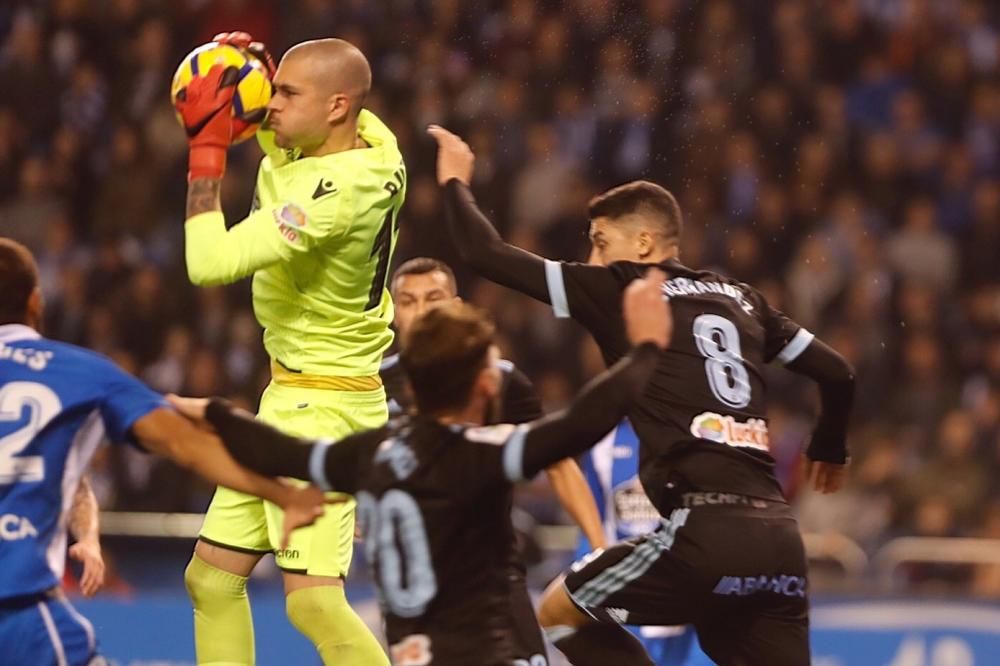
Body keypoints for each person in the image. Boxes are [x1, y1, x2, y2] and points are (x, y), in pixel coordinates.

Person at [427, 126, 856, 666]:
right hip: (778, 538)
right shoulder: (744, 300)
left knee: (558, 611)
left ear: (645, 244)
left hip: (703, 531)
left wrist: (454, 182)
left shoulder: (623, 288)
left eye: (600, 241)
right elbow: (839, 374)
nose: (592, 256)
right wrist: (830, 445)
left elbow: (483, 252)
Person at [168, 269, 672, 666]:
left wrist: (218, 414)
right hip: (487, 653)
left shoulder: (372, 454)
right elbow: (584, 421)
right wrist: (646, 348)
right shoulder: (489, 452)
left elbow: (281, 454)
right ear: (484, 386)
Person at [173, 32, 405, 664]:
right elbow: (318, 116)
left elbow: (207, 262)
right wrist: (266, 76)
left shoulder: (328, 201)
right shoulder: (377, 146)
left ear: (336, 108)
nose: (269, 105)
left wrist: (207, 150)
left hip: (324, 413)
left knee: (313, 602)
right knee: (212, 579)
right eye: (272, 92)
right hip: (296, 395)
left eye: (284, 94)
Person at [0, 238, 325, 666]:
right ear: (36, 303)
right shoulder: (78, 373)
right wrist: (285, 495)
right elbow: (186, 445)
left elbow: (64, 473)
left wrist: (89, 535)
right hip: (19, 611)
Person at [384, 256, 606, 660]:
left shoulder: (501, 382)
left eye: (433, 298)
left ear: (456, 306)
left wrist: (600, 546)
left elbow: (558, 464)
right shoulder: (371, 386)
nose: (420, 311)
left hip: (494, 580)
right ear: (393, 312)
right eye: (408, 301)